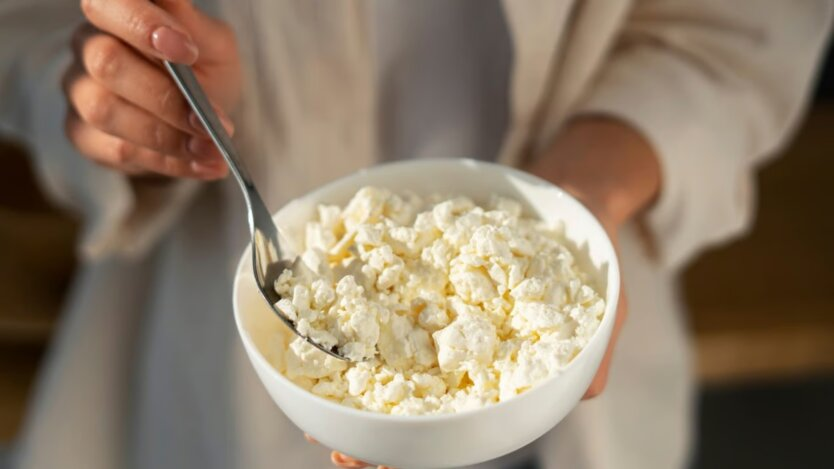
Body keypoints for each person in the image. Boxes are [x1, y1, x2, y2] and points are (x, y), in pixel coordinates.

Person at [1, 1, 831, 468]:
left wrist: (583, 191)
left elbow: (736, 34)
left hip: (569, 388)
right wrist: (138, 111)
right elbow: (29, 28)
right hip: (204, 363)